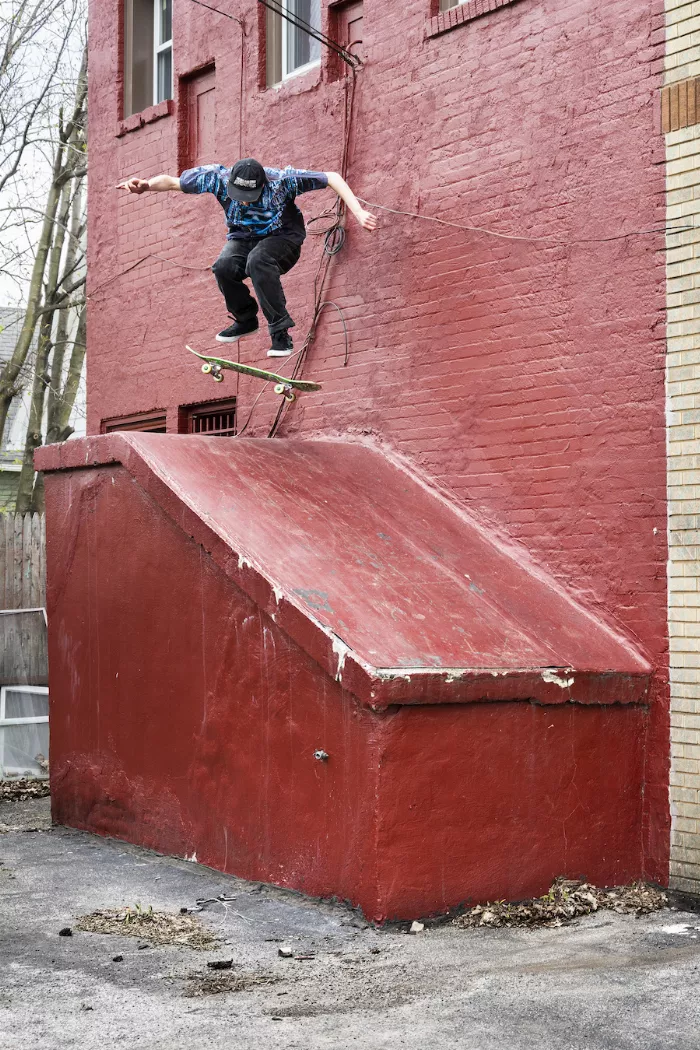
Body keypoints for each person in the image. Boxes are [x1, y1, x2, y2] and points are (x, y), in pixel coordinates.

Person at [118, 159, 377, 358]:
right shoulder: (215, 178)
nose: (242, 204)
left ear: (263, 185)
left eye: (249, 199)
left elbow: (332, 177)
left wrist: (358, 211)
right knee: (223, 267)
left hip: (283, 238)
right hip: (243, 237)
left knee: (258, 260)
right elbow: (172, 182)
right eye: (238, 197)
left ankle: (280, 334)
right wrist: (147, 186)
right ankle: (245, 320)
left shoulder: (283, 181)